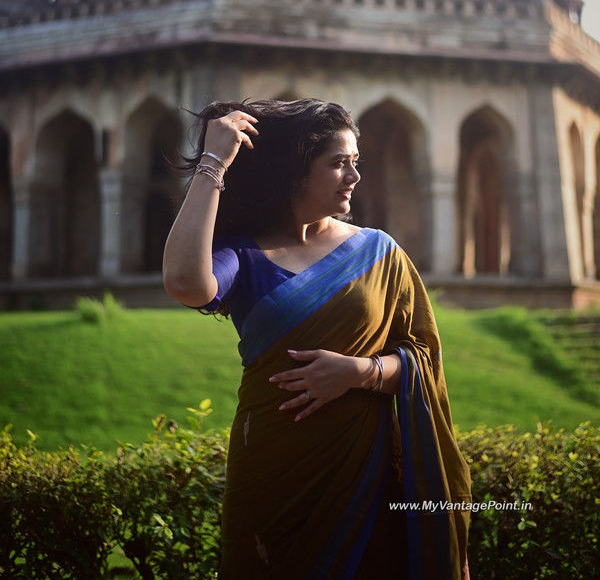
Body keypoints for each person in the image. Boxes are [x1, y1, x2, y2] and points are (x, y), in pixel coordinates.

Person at [163, 98, 471, 580]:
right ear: (294, 172)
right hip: (273, 471)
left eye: (355, 163)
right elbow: (185, 283)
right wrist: (212, 164)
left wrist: (359, 373)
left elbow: (423, 362)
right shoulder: (244, 253)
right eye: (338, 164)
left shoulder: (378, 252)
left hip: (367, 473)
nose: (354, 176)